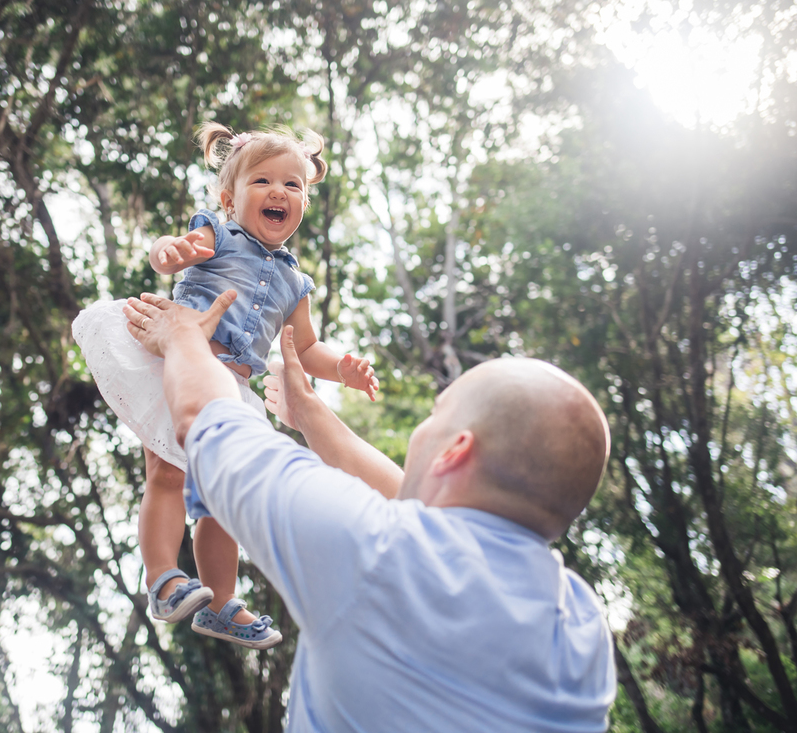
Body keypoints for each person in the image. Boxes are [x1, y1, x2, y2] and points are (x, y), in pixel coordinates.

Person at [121, 290, 618, 732]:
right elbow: (420, 512)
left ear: (454, 451)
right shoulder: (584, 632)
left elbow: (207, 421)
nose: (424, 429)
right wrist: (307, 411)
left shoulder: (376, 554)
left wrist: (182, 337)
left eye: (435, 415)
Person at [71, 123, 380, 649]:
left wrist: (342, 369)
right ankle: (163, 577)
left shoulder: (295, 282)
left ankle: (220, 601)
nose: (279, 191)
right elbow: (174, 249)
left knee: (223, 498)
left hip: (232, 388)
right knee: (167, 472)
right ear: (229, 199)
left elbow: (305, 347)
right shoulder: (218, 233)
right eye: (262, 181)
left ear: (303, 202)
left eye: (293, 184)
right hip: (177, 364)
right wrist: (168, 252)